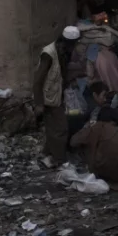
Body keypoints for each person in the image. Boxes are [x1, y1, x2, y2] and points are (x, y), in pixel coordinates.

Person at [34, 26, 81, 167]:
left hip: (57, 93)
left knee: (52, 127)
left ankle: (47, 153)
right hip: (48, 96)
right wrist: (39, 103)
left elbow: (61, 72)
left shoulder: (63, 51)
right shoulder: (48, 54)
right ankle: (60, 159)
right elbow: (38, 80)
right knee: (61, 128)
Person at [69, 113, 118, 189]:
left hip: (100, 173)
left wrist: (87, 128)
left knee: (84, 143)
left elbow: (73, 142)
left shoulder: (94, 128)